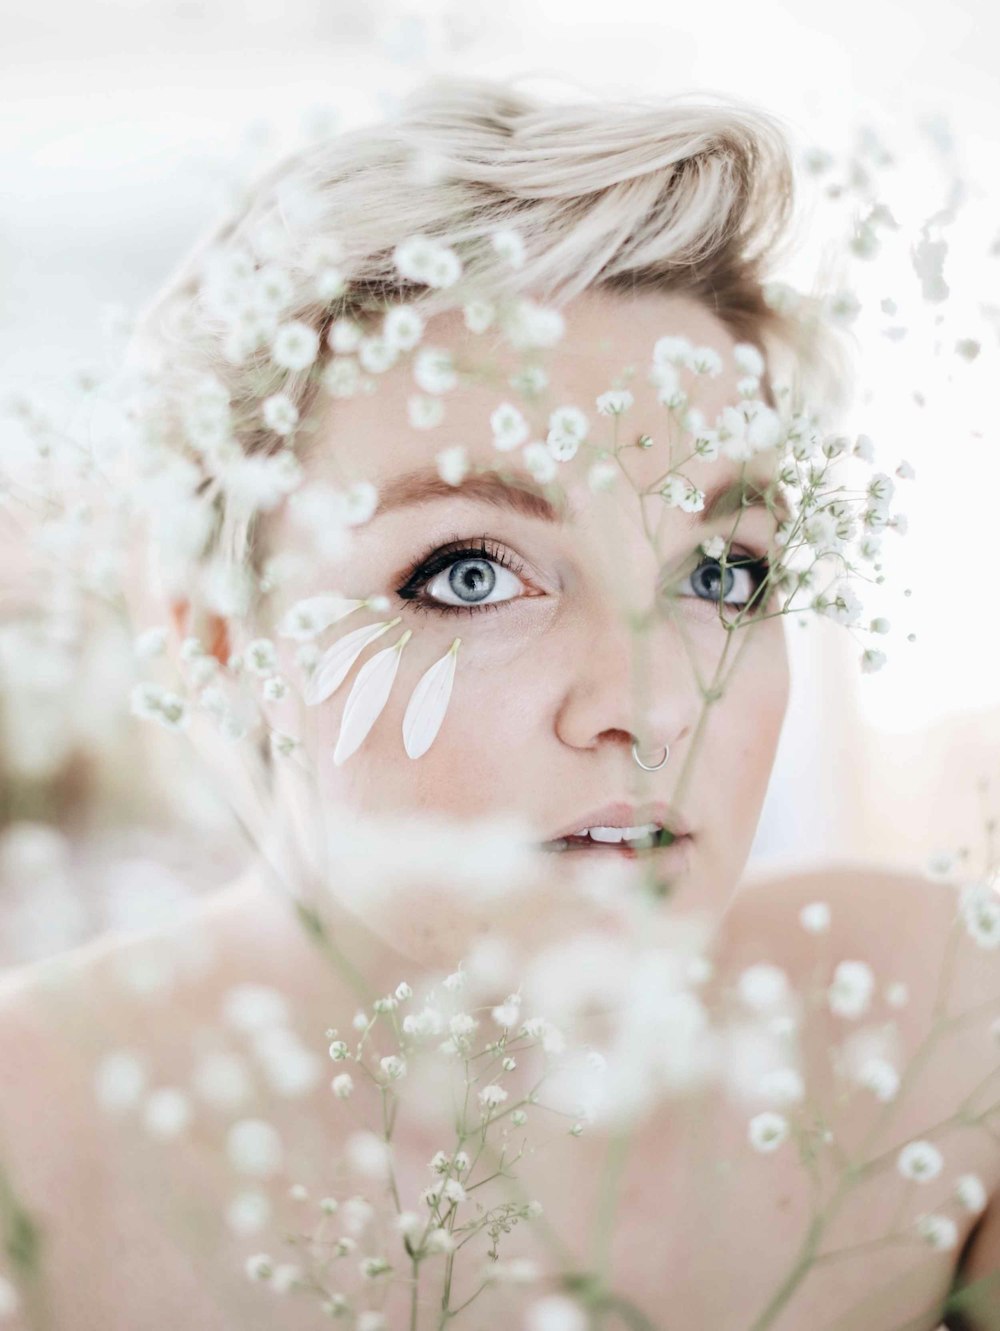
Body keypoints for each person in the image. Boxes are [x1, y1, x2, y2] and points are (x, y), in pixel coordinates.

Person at [0, 74, 997, 1331]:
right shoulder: (30, 1167)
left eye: (721, 570)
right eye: (471, 574)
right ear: (215, 641)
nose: (648, 702)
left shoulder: (941, 1039)